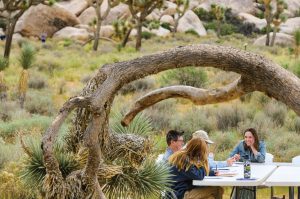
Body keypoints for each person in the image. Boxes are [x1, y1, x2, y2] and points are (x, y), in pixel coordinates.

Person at [229, 128, 266, 199]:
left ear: (254, 137)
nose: (247, 139)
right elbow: (230, 157)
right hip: (243, 172)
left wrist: (252, 146)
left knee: (247, 184)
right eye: (245, 137)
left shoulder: (261, 144)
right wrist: (235, 157)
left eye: (250, 137)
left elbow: (261, 159)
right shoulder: (240, 144)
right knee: (243, 182)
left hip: (257, 173)